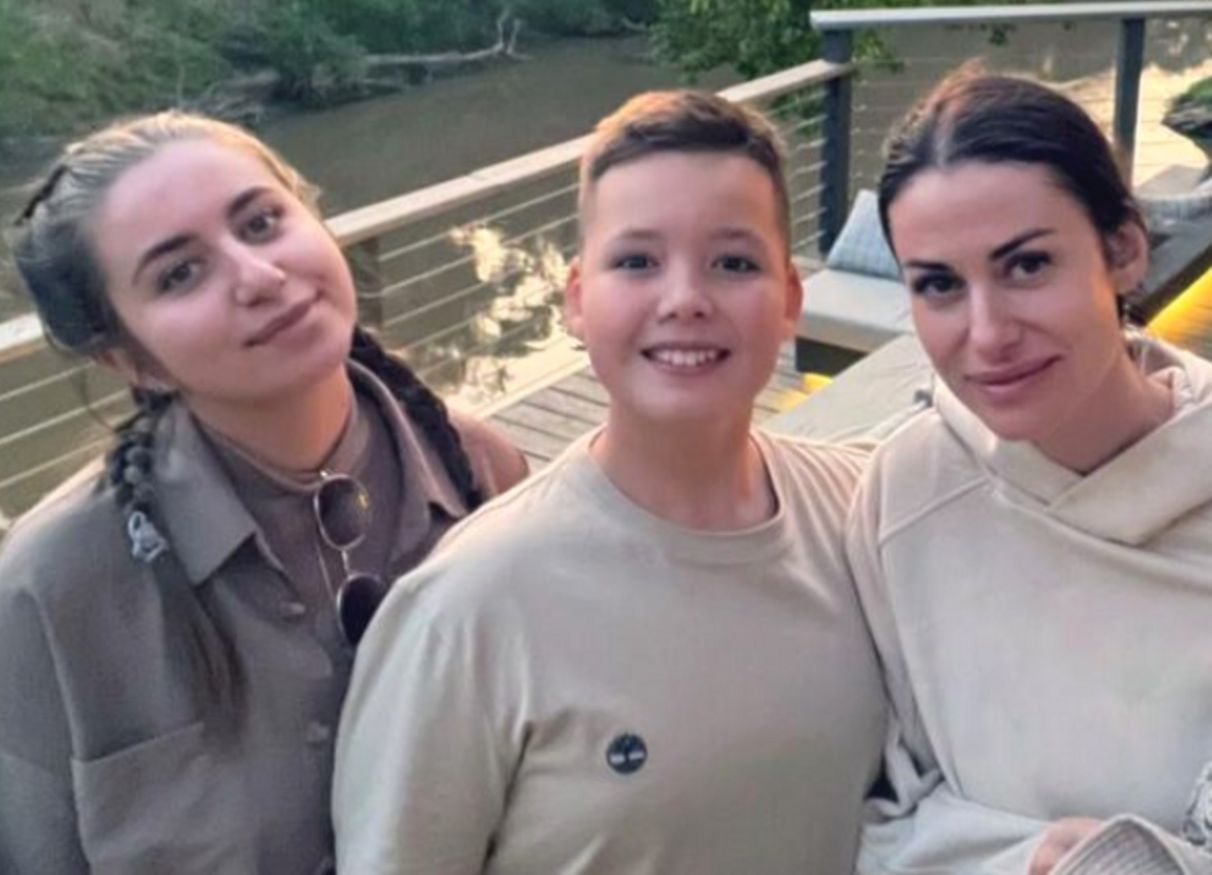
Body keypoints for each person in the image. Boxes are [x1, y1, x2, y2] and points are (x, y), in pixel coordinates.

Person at [333, 89, 887, 873]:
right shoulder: (466, 609)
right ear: (577, 300)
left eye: (734, 262)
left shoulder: (867, 516)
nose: (685, 300)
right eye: (636, 262)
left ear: (791, 298)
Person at [0, 112, 527, 873]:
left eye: (261, 223)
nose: (258, 277)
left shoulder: (486, 472)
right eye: (180, 273)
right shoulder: (50, 591)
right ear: (129, 360)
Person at [850, 70, 1212, 874]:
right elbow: (880, 808)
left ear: (1124, 250)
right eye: (939, 285)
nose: (987, 334)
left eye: (1027, 266)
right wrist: (1025, 857)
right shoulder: (906, 494)